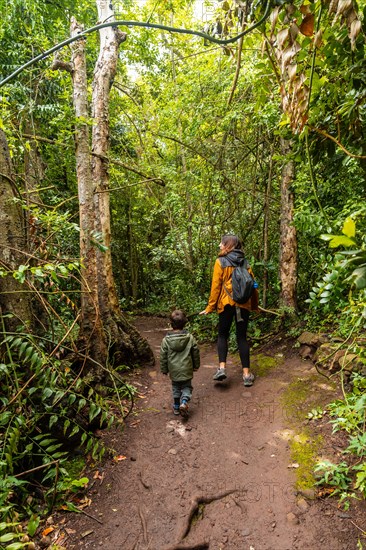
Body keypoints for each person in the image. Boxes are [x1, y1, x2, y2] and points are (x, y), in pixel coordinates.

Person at [200, 234, 259, 386]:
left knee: (222, 335)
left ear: (228, 245)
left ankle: (221, 368)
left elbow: (216, 287)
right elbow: (253, 285)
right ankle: (246, 375)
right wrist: (254, 305)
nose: (220, 245)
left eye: (222, 243)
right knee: (242, 338)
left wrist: (210, 307)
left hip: (226, 304)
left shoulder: (220, 262)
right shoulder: (245, 262)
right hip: (243, 305)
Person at [160, 310, 200, 418]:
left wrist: (164, 369)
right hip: (187, 368)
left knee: (176, 387)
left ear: (171, 324)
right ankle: (184, 401)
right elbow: (195, 352)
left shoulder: (166, 340)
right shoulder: (190, 337)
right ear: (185, 323)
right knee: (187, 386)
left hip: (173, 369)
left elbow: (163, 355)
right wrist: (196, 365)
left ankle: (177, 407)